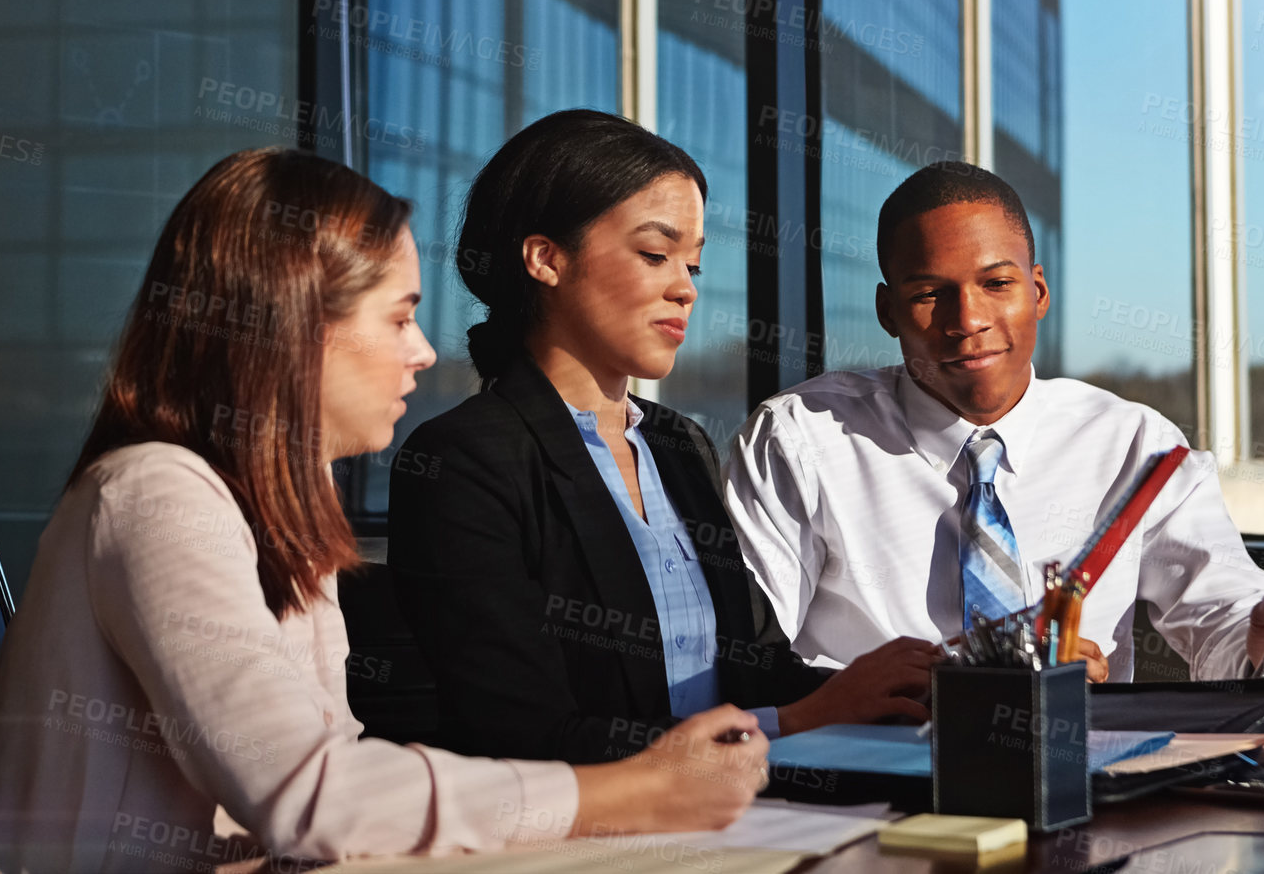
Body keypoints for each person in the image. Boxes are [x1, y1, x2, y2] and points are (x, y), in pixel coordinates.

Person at [0, 148, 770, 874]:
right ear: (293, 324)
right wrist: (631, 791)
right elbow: (309, 795)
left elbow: (327, 778)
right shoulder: (157, 494)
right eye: (402, 317)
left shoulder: (273, 510)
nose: (423, 351)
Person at [387, 109, 941, 767]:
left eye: (694, 265)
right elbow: (521, 741)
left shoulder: (678, 445)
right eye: (655, 254)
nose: (684, 290)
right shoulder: (463, 461)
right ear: (545, 259)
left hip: (737, 818)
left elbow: (756, 672)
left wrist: (906, 689)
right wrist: (795, 720)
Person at [724, 160, 1264, 691]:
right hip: (865, 795)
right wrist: (975, 674)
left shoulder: (1134, 446)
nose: (967, 318)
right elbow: (747, 664)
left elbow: (1221, 616)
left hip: (1085, 790)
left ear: (1039, 293)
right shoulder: (799, 440)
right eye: (928, 294)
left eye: (997, 284)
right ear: (889, 312)